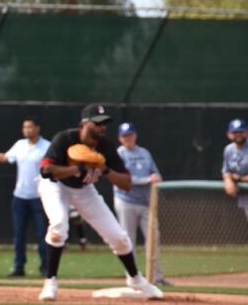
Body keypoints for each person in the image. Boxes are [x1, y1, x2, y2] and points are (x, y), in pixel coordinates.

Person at [37, 104, 163, 301]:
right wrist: (75, 168)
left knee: (119, 237)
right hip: (56, 187)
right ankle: (50, 281)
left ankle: (136, 279)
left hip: (84, 190)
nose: (102, 127)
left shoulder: (106, 147)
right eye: (97, 123)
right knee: (59, 224)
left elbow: (126, 184)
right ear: (84, 123)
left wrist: (104, 169)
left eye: (104, 123)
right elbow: (46, 170)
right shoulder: (65, 138)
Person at [0, 116, 49, 277]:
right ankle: (18, 267)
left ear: (37, 128)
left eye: (30, 127)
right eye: (24, 127)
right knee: (19, 234)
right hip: (20, 197)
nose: (27, 130)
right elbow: (5, 158)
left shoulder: (46, 146)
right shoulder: (20, 145)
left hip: (40, 197)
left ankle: (46, 268)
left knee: (42, 234)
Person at [114, 122, 170, 286]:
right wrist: (147, 179)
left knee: (154, 238)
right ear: (120, 138)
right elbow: (122, 178)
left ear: (135, 135)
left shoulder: (145, 152)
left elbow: (155, 172)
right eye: (124, 136)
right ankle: (132, 277)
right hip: (126, 201)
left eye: (130, 135)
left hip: (147, 202)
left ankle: (156, 277)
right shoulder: (118, 154)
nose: (128, 138)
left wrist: (155, 176)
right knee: (127, 240)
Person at [221, 119, 248, 221]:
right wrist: (228, 180)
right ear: (229, 134)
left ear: (247, 132)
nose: (238, 135)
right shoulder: (229, 149)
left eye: (241, 132)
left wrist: (239, 178)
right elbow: (226, 170)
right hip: (244, 196)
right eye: (235, 132)